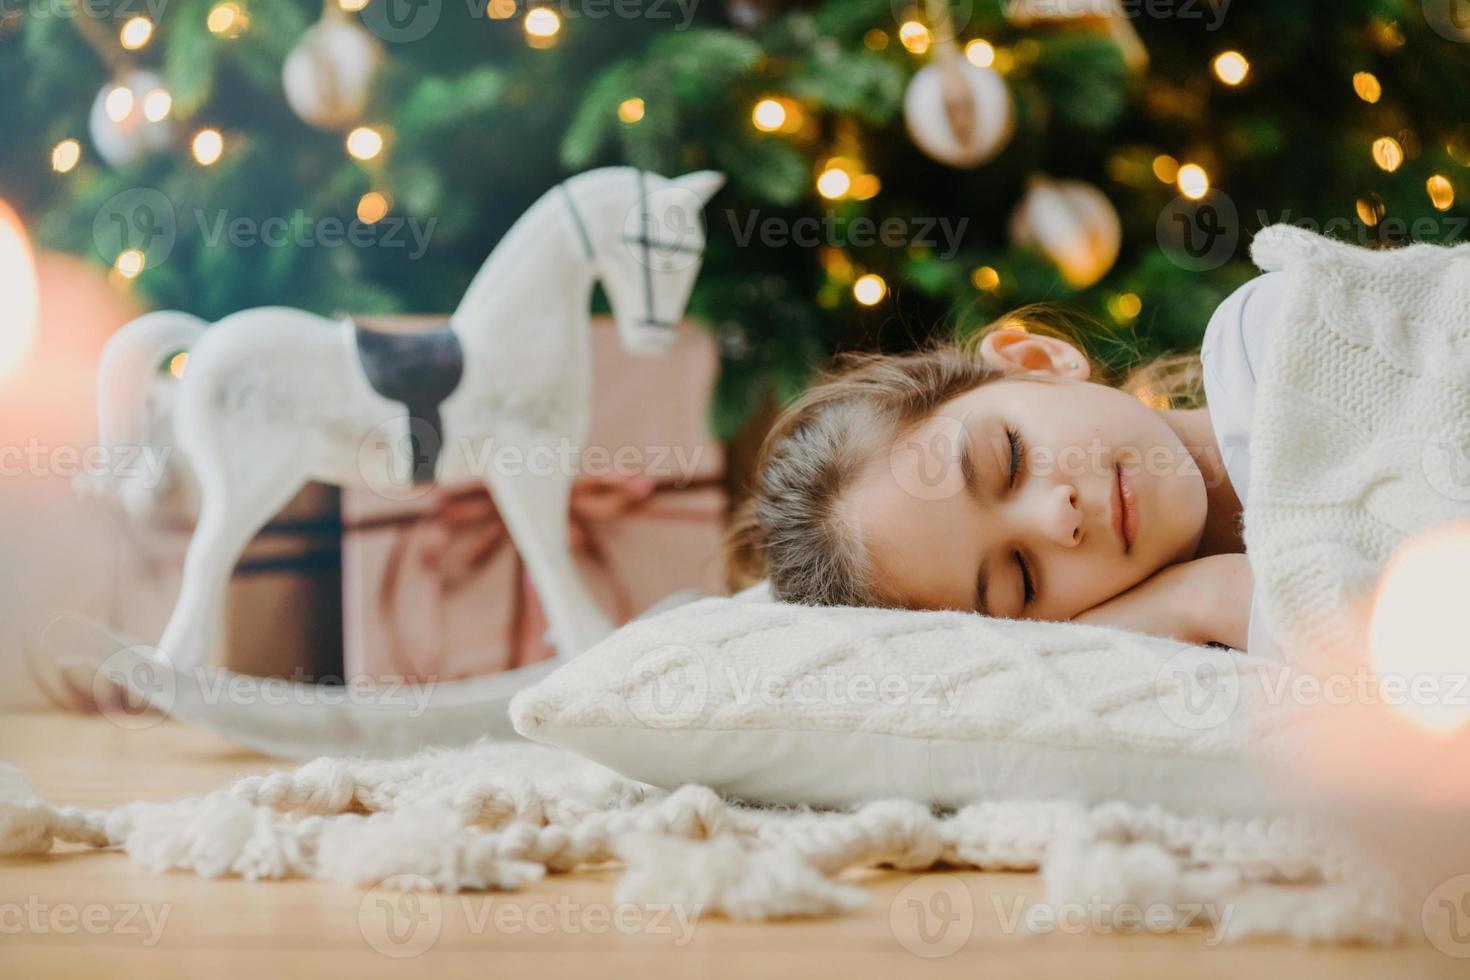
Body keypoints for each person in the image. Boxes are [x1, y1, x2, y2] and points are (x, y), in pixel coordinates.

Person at [725, 273, 1288, 652]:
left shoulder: (1274, 341)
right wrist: (1201, 601)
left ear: (1037, 360)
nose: (1057, 520)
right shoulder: (1201, 634)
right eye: (1019, 578)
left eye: (1011, 460)